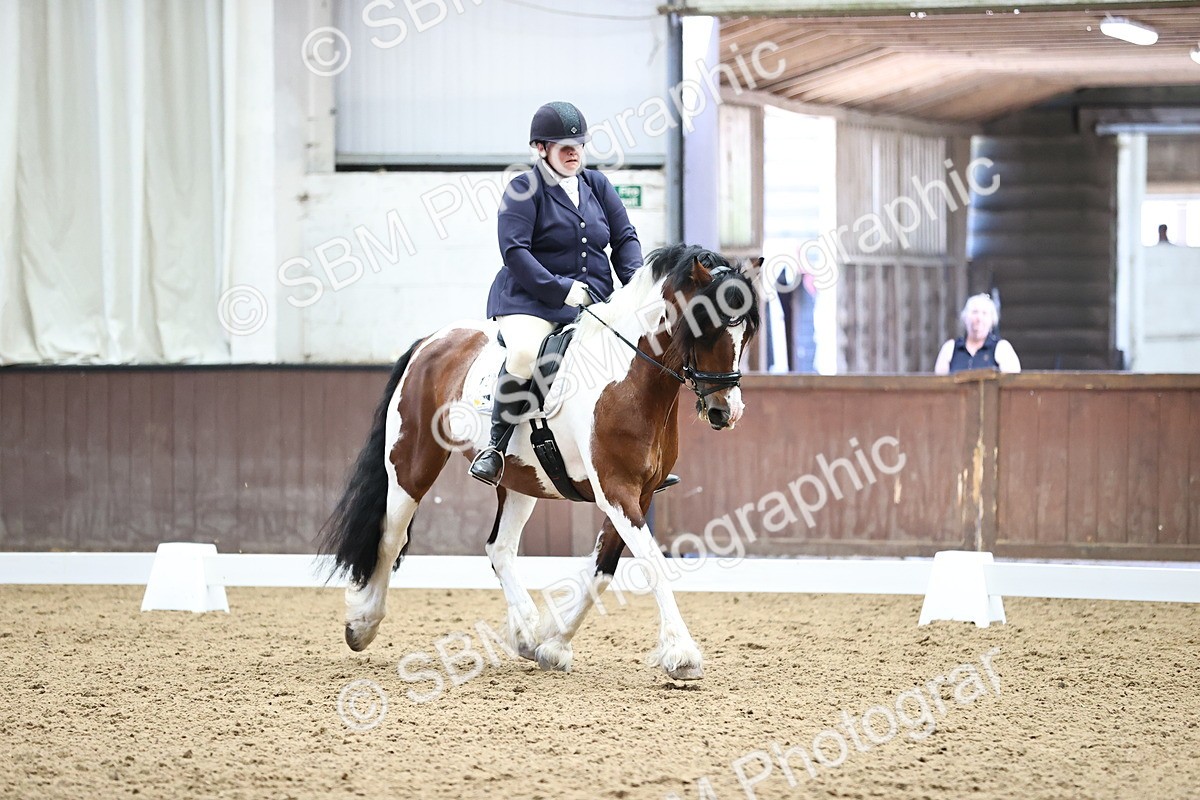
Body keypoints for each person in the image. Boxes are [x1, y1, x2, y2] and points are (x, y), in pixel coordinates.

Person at [469, 101, 644, 485]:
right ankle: (495, 449)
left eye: (578, 144)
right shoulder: (523, 188)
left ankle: (637, 455)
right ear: (540, 148)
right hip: (530, 300)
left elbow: (624, 238)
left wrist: (635, 285)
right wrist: (562, 290)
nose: (573, 152)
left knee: (629, 357)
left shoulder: (596, 184)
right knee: (525, 354)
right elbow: (515, 252)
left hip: (593, 301)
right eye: (563, 146)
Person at [933, 293, 1021, 375]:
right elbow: (938, 385)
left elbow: (1012, 385)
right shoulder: (950, 349)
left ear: (992, 320)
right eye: (974, 312)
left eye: (984, 313)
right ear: (965, 318)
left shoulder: (1003, 349)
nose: (979, 318)